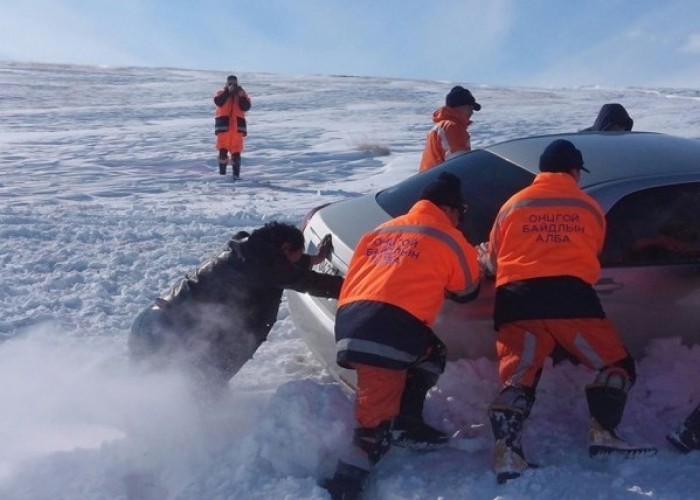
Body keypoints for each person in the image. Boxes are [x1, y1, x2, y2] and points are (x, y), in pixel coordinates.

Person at [478, 139, 657, 484]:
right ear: (574, 171)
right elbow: (594, 250)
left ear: (542, 170)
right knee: (616, 364)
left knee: (519, 378)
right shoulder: (588, 207)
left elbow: (495, 258)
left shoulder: (513, 204)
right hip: (570, 299)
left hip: (516, 299)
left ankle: (506, 453)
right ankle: (603, 432)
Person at [322, 172, 481, 499]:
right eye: (460, 211)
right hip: (389, 328)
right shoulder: (449, 237)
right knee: (373, 420)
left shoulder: (382, 229)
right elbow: (467, 290)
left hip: (352, 319)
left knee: (429, 352)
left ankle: (405, 422)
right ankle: (343, 486)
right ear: (450, 209)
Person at [128, 222, 343, 391]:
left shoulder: (248, 248)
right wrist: (360, 285)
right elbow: (308, 282)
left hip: (150, 322)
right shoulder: (268, 267)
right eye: (295, 256)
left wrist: (311, 259)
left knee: (148, 390)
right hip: (174, 336)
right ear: (285, 249)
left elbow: (283, 266)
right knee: (193, 400)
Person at [419, 86, 481, 172]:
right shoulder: (452, 127)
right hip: (443, 180)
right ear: (462, 107)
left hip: (430, 179)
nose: (472, 112)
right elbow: (458, 164)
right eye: (470, 108)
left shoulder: (441, 126)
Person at [214, 75, 252, 178]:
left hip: (237, 128)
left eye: (234, 82)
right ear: (227, 82)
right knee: (222, 151)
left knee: (236, 154)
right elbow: (218, 102)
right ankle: (222, 175)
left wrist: (241, 96)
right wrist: (227, 92)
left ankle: (236, 176)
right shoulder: (221, 92)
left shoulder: (242, 94)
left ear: (237, 82)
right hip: (224, 127)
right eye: (230, 82)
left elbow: (246, 107)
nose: (232, 84)